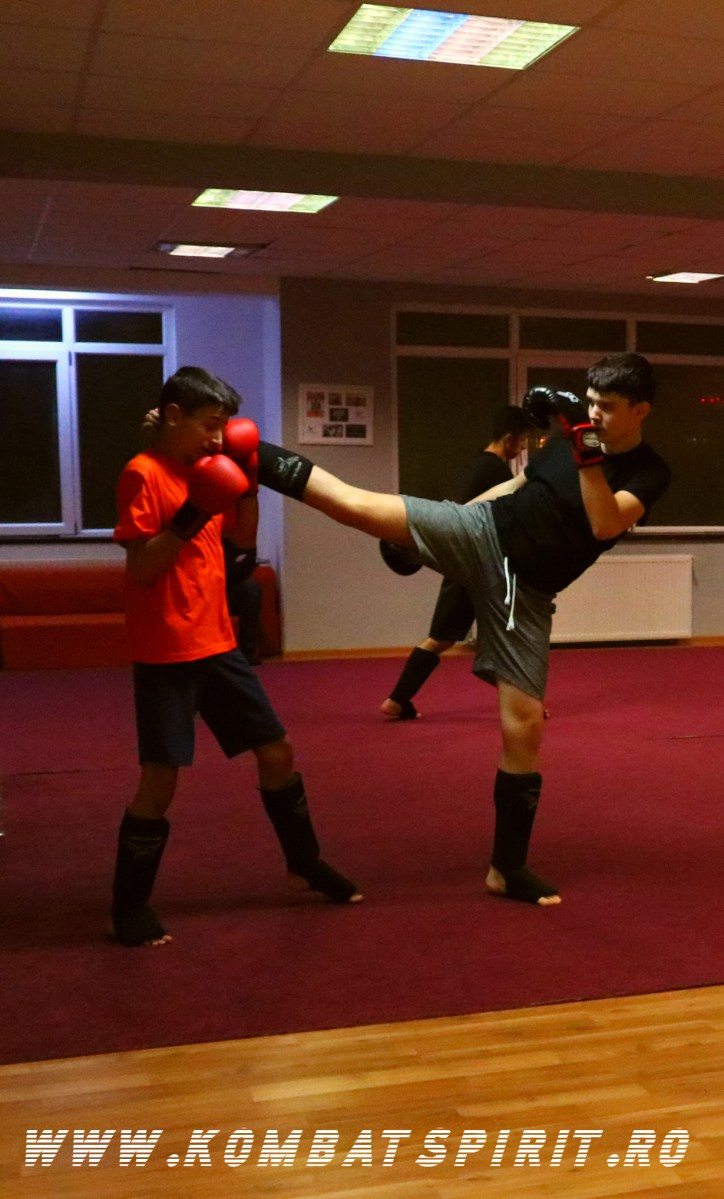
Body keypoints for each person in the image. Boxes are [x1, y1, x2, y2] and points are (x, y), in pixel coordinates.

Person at [248, 353, 669, 907]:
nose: (595, 414)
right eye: (590, 403)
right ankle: (243, 449)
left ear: (641, 411)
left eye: (608, 407)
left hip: (528, 590)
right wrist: (445, 526)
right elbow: (516, 488)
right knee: (355, 505)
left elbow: (604, 522)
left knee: (524, 726)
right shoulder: (566, 443)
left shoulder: (649, 472)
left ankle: (506, 868)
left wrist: (583, 444)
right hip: (483, 531)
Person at [111, 365, 361, 948]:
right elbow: (142, 568)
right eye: (208, 425)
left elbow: (240, 544)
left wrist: (246, 485)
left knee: (277, 751)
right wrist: (190, 514)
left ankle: (304, 863)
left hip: (218, 642)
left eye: (223, 426)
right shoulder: (142, 474)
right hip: (167, 649)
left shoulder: (208, 469)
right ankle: (127, 906)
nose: (217, 438)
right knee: (160, 780)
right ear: (174, 416)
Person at [380, 405, 537, 721]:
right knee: (510, 636)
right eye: (522, 441)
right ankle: (526, 703)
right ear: (509, 438)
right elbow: (502, 521)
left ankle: (397, 700)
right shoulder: (495, 472)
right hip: (481, 566)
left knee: (442, 638)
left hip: (460, 563)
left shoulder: (472, 465)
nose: (522, 448)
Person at [223, 539, 263, 664]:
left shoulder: (232, 543)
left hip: (227, 590)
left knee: (250, 589)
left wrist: (227, 569)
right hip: (205, 591)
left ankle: (247, 652)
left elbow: (244, 569)